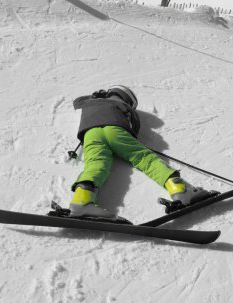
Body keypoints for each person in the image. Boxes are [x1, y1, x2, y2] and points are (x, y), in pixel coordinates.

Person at [69, 85, 211, 219]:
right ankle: (181, 190)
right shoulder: (123, 106)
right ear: (126, 98)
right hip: (115, 130)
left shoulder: (89, 102)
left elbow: (77, 102)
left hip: (90, 134)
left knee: (95, 165)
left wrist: (95, 97)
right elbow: (134, 126)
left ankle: (81, 202)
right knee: (145, 159)